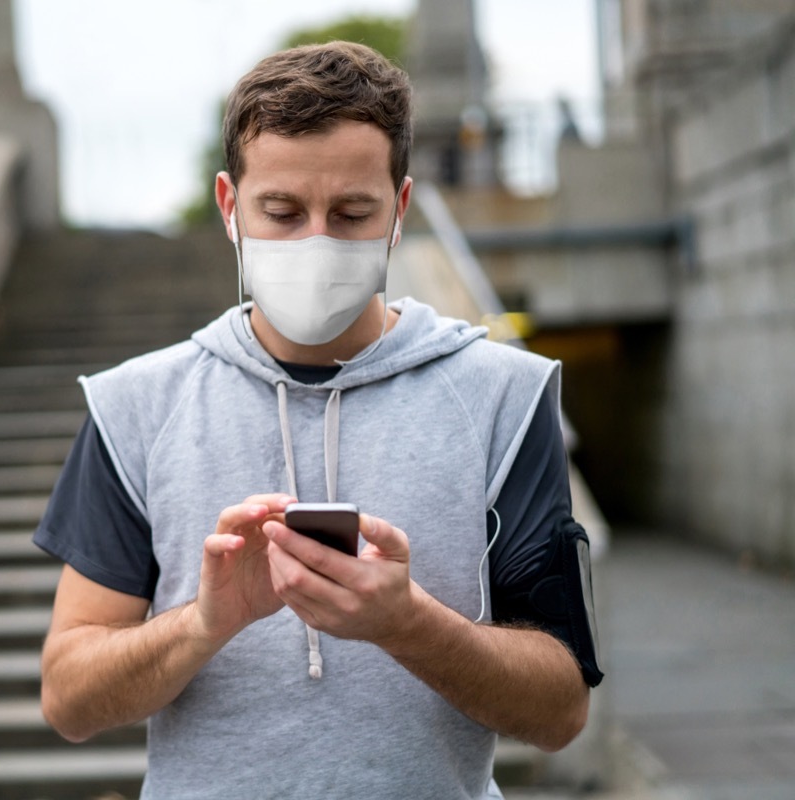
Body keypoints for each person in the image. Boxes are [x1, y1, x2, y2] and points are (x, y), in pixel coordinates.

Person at [33, 41, 602, 799]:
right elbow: (68, 697)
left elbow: (562, 708)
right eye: (282, 211)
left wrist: (406, 623)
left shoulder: (503, 396)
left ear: (399, 210)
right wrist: (204, 624)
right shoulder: (137, 407)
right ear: (231, 206)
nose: (316, 242)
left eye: (351, 212)